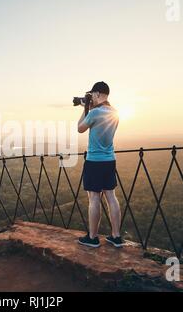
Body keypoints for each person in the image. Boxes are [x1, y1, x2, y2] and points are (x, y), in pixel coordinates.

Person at [76, 81, 124, 248]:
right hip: (110, 159)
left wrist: (85, 108)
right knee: (111, 196)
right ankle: (116, 236)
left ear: (97, 94)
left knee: (94, 197)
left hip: (94, 161)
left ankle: (93, 237)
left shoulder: (94, 113)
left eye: (92, 95)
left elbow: (80, 128)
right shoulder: (115, 112)